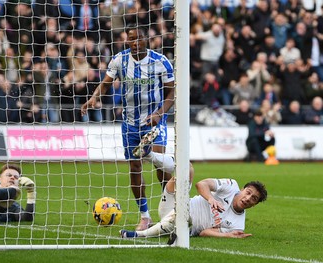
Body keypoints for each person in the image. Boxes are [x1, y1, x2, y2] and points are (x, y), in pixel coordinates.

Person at [81, 24, 175, 231]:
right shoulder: (119, 59)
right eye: (130, 39)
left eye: (138, 39)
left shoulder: (161, 62)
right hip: (130, 124)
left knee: (161, 165)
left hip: (154, 122)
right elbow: (105, 83)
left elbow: (172, 92)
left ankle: (169, 211)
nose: (134, 43)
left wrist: (159, 114)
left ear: (146, 40)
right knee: (134, 167)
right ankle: (145, 216)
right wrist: (93, 98)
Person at [120, 162, 268, 239]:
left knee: (184, 217)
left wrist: (228, 235)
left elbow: (204, 233)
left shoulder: (238, 226)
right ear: (242, 189)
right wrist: (210, 198)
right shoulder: (231, 185)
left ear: (254, 205)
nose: (248, 198)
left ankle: (138, 235)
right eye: (248, 193)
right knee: (188, 168)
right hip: (173, 205)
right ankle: (151, 155)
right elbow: (202, 184)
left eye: (253, 198)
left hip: (185, 225)